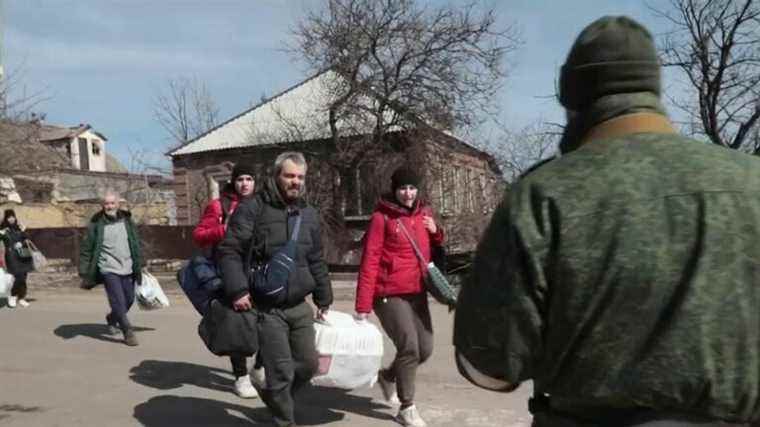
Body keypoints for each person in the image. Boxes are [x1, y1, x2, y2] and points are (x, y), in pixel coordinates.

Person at [454, 15, 760, 427]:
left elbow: (489, 362)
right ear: (653, 86)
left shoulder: (544, 196)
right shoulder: (751, 180)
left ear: (572, 97)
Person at [218, 151, 333, 427]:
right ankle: (284, 420)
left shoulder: (308, 214)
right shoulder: (253, 209)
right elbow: (230, 251)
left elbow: (315, 258)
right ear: (276, 175)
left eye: (300, 177)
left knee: (308, 366)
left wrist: (323, 295)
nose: (296, 181)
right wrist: (238, 290)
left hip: (298, 305)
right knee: (281, 371)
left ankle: (274, 400)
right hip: (266, 308)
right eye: (290, 175)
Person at [355, 166, 443, 427]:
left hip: (417, 292)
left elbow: (436, 247)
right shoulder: (382, 218)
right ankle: (407, 407)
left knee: (425, 349)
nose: (408, 193)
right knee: (410, 348)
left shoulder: (424, 214)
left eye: (412, 188)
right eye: (403, 188)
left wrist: (435, 230)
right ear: (395, 190)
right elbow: (369, 260)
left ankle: (388, 377)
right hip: (388, 293)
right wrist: (362, 305)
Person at [192, 163, 264, 399]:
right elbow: (199, 235)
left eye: (249, 179)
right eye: (240, 179)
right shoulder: (218, 205)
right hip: (229, 270)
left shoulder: (263, 204)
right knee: (237, 324)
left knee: (267, 320)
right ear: (233, 181)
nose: (245, 183)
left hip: (259, 271)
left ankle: (260, 366)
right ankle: (241, 377)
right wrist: (224, 229)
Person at [79, 190, 143, 347]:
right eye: (106, 203)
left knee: (128, 299)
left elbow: (135, 242)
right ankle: (127, 330)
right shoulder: (96, 224)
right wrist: (84, 270)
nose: (109, 206)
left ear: (118, 204)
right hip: (108, 268)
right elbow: (87, 248)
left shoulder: (127, 220)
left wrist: (142, 263)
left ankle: (113, 318)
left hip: (128, 266)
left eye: (112, 203)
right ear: (103, 205)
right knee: (118, 300)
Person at [0, 209, 34, 308]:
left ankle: (22, 297)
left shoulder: (19, 227)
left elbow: (27, 239)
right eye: (9, 217)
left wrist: (24, 232)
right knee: (18, 276)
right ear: (6, 219)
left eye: (12, 217)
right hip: (11, 256)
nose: (11, 219)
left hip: (23, 254)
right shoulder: (3, 230)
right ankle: (13, 296)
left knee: (24, 277)